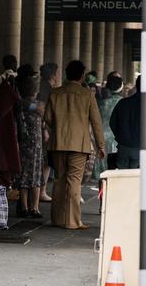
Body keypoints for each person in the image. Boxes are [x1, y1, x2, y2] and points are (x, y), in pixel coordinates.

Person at [44, 60, 105, 229]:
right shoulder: (87, 95)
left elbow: (47, 117)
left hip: (58, 143)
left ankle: (57, 218)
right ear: (82, 75)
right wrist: (101, 145)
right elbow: (96, 123)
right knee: (74, 182)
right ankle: (72, 221)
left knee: (59, 180)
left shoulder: (55, 93)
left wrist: (58, 128)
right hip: (79, 144)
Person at [109, 76, 146, 169]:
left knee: (121, 179)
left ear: (136, 86)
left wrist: (120, 138)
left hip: (123, 149)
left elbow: (112, 123)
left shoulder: (122, 103)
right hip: (141, 151)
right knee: (136, 180)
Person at [0, 55, 22, 187]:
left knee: (3, 147)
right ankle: (10, 178)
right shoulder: (16, 78)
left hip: (1, 118)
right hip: (12, 118)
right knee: (13, 146)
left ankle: (4, 176)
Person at [16, 72, 45, 218]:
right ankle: (34, 208)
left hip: (24, 144)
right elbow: (41, 110)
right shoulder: (32, 104)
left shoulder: (20, 104)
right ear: (35, 90)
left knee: (25, 175)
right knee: (35, 175)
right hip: (35, 145)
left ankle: (25, 207)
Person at [37, 62, 59, 202]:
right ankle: (42, 191)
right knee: (45, 161)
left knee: (45, 160)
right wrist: (45, 128)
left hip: (43, 126)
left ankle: (41, 190)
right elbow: (41, 108)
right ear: (53, 74)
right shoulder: (46, 87)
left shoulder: (43, 86)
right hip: (44, 128)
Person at [99, 74, 124, 170]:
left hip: (101, 139)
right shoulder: (123, 102)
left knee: (101, 173)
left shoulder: (101, 103)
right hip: (117, 140)